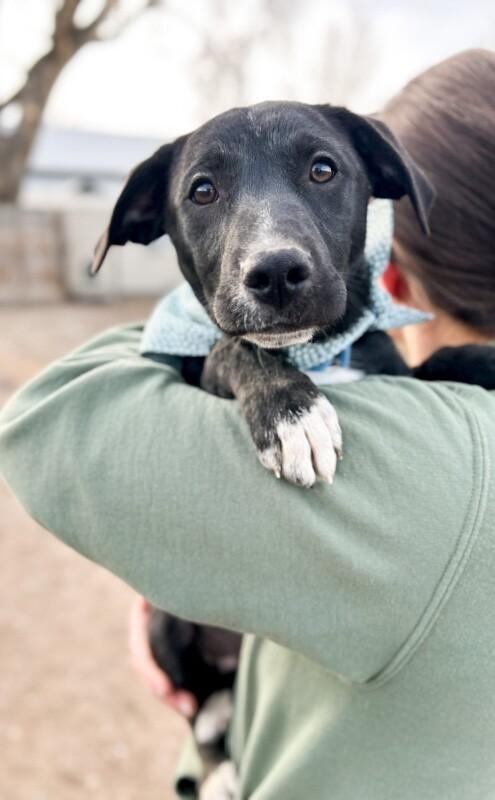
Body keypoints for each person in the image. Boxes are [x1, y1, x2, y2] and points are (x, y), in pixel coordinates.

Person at [1, 48, 495, 799]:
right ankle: (212, 726)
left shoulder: (437, 449)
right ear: (149, 220)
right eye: (205, 191)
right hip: (226, 657)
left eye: (321, 173)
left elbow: (47, 420)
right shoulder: (436, 404)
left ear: (384, 201)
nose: (271, 251)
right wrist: (244, 361)